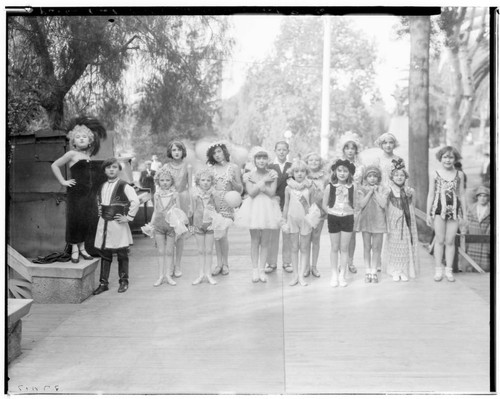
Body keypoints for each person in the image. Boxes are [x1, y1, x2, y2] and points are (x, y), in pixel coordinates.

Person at [51, 117, 107, 263]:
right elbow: (55, 165)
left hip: (88, 194)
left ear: (90, 141)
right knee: (75, 220)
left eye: (84, 137)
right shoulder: (71, 154)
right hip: (76, 193)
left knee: (85, 220)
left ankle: (83, 248)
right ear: (73, 141)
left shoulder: (88, 155)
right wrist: (63, 181)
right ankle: (75, 249)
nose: (81, 139)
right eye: (78, 137)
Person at [93, 158, 140, 294]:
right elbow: (99, 201)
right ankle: (103, 283)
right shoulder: (102, 186)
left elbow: (135, 201)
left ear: (119, 169)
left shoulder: (124, 185)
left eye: (114, 167)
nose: (111, 170)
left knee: (121, 253)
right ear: (104, 170)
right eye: (108, 167)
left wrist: (128, 217)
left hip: (118, 224)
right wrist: (100, 211)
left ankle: (124, 281)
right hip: (104, 223)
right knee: (105, 253)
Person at [236, 148, 282, 283]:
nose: (261, 161)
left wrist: (261, 183)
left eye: (264, 158)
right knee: (255, 240)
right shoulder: (249, 174)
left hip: (268, 208)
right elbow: (251, 193)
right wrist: (263, 182)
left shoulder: (272, 174)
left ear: (268, 160)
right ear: (254, 160)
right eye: (258, 158)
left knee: (265, 241)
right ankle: (255, 270)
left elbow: (271, 193)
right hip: (254, 207)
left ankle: (262, 270)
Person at [426, 146, 467, 283]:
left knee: (450, 241)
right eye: (445, 157)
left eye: (450, 157)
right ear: (440, 158)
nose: (448, 160)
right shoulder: (435, 173)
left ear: (455, 159)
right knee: (440, 240)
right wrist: (428, 214)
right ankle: (438, 270)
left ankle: (448, 270)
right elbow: (431, 194)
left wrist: (465, 215)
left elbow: (461, 194)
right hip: (438, 210)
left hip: (454, 211)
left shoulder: (459, 174)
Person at [144, 167, 188, 287]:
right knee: (160, 251)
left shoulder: (175, 195)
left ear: (172, 181)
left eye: (167, 180)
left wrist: (180, 225)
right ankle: (160, 276)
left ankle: (168, 275)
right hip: (159, 226)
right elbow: (155, 211)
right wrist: (151, 224)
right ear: (158, 181)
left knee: (169, 251)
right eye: (162, 180)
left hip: (171, 226)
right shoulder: (156, 195)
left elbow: (178, 211)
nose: (165, 182)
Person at [206, 142, 243, 276]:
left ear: (224, 152)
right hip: (214, 204)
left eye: (219, 151)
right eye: (214, 153)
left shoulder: (233, 167)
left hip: (227, 203)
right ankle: (218, 264)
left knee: (223, 235)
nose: (217, 155)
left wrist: (233, 181)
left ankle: (225, 263)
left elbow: (240, 189)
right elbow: (207, 187)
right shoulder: (210, 169)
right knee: (217, 236)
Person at [322, 159, 357, 288]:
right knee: (334, 247)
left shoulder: (352, 187)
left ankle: (342, 274)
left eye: (345, 171)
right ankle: (334, 275)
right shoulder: (330, 186)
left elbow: (355, 204)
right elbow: (324, 205)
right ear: (335, 172)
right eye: (340, 170)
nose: (342, 173)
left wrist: (351, 213)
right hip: (333, 218)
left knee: (344, 248)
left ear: (350, 173)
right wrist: (331, 212)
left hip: (347, 218)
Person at [384, 159, 419, 282]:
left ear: (405, 177)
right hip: (394, 221)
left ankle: (404, 270)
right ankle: (395, 270)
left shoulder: (409, 191)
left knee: (405, 245)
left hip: (407, 221)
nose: (399, 177)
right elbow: (385, 207)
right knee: (394, 244)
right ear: (392, 177)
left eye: (402, 175)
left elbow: (412, 207)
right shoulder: (389, 190)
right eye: (396, 175)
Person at [162, 140, 193, 278]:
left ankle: (178, 265)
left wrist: (192, 204)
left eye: (179, 150)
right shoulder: (165, 167)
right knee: (170, 233)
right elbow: (161, 184)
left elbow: (190, 186)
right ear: (170, 152)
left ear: (183, 151)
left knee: (180, 234)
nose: (176, 152)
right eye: (174, 150)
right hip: (169, 199)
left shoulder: (188, 166)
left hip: (183, 199)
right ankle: (169, 266)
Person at [283, 160, 315, 286]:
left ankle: (302, 275)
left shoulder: (310, 187)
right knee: (294, 247)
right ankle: (295, 275)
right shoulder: (288, 187)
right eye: (297, 171)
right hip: (292, 220)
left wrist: (313, 219)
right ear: (292, 173)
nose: (300, 174)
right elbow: (286, 205)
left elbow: (312, 205)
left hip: (306, 220)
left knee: (304, 248)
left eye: (302, 171)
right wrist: (283, 220)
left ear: (306, 172)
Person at [355, 166, 388, 283]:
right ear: (366, 177)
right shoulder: (361, 189)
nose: (372, 178)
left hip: (379, 221)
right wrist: (370, 192)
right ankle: (367, 270)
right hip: (366, 221)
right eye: (370, 176)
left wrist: (376, 192)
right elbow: (361, 204)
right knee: (367, 247)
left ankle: (374, 270)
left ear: (378, 177)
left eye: (375, 176)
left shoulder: (383, 189)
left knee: (376, 247)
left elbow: (383, 204)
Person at [265, 141, 293, 274]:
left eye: (284, 149)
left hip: (289, 204)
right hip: (273, 204)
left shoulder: (292, 166)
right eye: (279, 149)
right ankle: (271, 262)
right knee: (272, 235)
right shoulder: (269, 167)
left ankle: (287, 261)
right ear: (275, 151)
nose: (281, 152)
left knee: (287, 234)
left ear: (288, 151)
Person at [338, 132, 364, 274]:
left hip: (355, 201)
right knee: (340, 233)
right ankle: (340, 261)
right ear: (343, 150)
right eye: (347, 148)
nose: (350, 150)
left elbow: (363, 183)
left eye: (352, 148)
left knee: (351, 233)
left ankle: (350, 261)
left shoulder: (360, 166)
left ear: (356, 150)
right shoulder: (338, 165)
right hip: (340, 199)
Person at [191, 168, 219, 285]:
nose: (205, 182)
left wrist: (217, 223)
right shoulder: (195, 195)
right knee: (201, 251)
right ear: (198, 181)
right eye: (203, 180)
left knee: (209, 250)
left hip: (210, 226)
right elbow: (192, 211)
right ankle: (201, 274)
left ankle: (208, 274)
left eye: (208, 180)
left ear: (212, 182)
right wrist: (191, 225)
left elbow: (218, 210)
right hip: (198, 225)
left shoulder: (214, 195)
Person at [303, 152, 329, 278]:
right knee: (306, 239)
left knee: (316, 239)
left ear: (320, 163)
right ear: (306, 162)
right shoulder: (303, 174)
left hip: (319, 211)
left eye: (316, 160)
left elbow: (328, 193)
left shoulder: (324, 177)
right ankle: (306, 266)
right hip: (306, 211)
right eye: (311, 160)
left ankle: (314, 266)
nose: (313, 162)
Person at [465, 186, 491, 272]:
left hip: (485, 242)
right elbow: (466, 224)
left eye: (485, 196)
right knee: (470, 266)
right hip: (472, 242)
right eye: (480, 196)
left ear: (488, 197)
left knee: (484, 268)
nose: (482, 198)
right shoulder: (471, 208)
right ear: (477, 197)